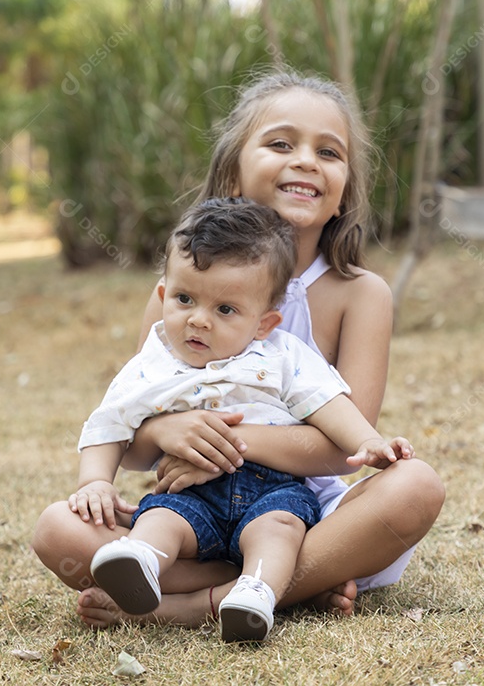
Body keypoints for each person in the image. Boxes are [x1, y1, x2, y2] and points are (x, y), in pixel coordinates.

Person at [32, 69, 445, 629]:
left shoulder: (360, 294)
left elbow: (341, 449)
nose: (305, 161)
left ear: (345, 185)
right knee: (59, 529)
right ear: (232, 171)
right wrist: (162, 432)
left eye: (329, 152)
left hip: (309, 518)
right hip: (190, 512)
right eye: (280, 143)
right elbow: (134, 424)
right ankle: (289, 587)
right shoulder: (179, 296)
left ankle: (194, 606)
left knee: (416, 486)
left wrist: (233, 441)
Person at [71, 198, 414, 642]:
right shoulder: (152, 364)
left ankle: (253, 592)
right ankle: (141, 562)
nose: (198, 320)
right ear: (162, 296)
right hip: (191, 492)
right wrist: (94, 481)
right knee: (160, 520)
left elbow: (326, 402)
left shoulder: (282, 356)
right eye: (184, 299)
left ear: (264, 324)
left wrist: (368, 442)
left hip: (272, 488)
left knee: (280, 528)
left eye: (225, 310)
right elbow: (111, 423)